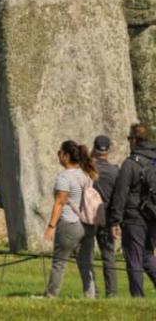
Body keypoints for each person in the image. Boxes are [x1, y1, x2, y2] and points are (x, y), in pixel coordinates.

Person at [43, 139, 98, 298]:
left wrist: (51, 226)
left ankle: (51, 295)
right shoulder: (87, 175)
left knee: (59, 263)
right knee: (85, 263)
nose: (58, 155)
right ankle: (90, 296)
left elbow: (60, 202)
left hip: (69, 223)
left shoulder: (65, 177)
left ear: (66, 156)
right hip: (87, 224)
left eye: (59, 153)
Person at [107, 123, 156, 296]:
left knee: (134, 259)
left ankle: (137, 297)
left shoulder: (130, 164)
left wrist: (115, 220)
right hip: (153, 216)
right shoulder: (154, 160)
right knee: (147, 255)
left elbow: (121, 194)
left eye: (129, 138)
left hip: (134, 217)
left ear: (134, 140)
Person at [91, 135, 120, 298]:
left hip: (89, 217)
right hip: (108, 216)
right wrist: (116, 221)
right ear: (108, 150)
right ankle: (112, 293)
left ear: (94, 148)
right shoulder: (116, 171)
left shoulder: (88, 168)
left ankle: (93, 290)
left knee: (86, 255)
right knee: (108, 256)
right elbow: (118, 196)